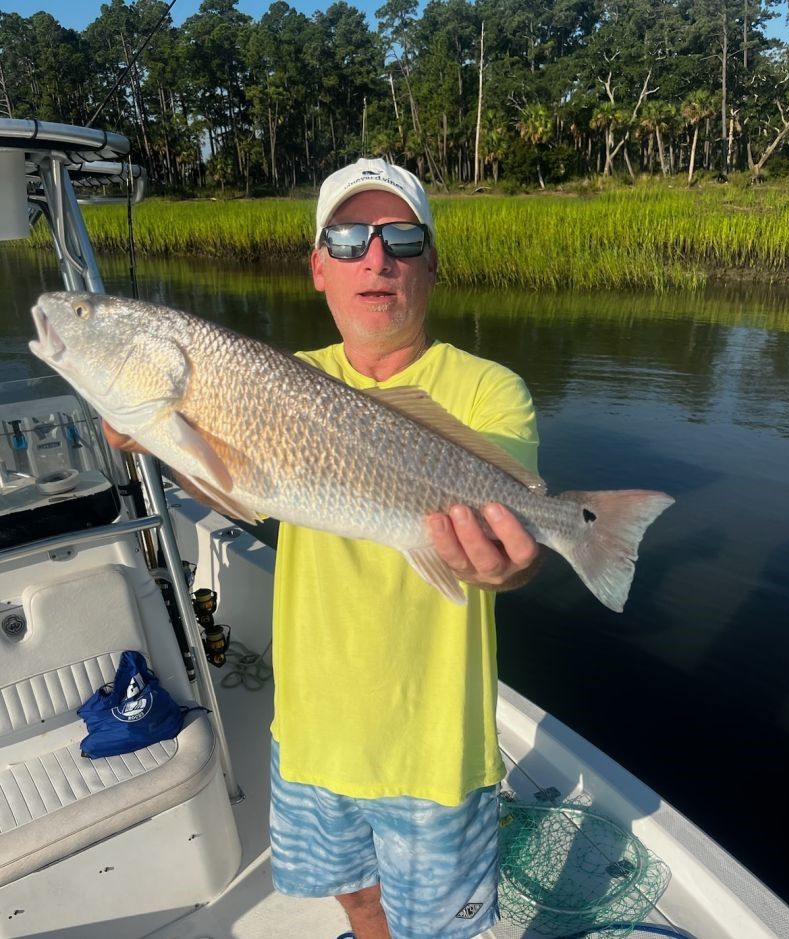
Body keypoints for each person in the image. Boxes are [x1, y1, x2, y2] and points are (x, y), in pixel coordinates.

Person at [104, 158, 544, 939]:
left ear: (430, 263)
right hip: (310, 733)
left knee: (439, 931)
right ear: (318, 266)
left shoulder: (489, 389)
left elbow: (509, 549)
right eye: (346, 237)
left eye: (401, 236)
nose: (375, 257)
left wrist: (515, 560)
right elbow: (235, 489)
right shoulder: (278, 380)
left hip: (433, 748)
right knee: (356, 898)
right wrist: (160, 438)